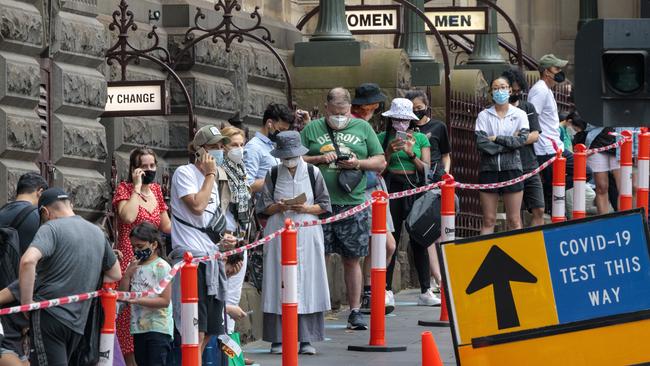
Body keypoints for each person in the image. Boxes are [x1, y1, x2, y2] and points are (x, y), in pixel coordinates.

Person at [301, 87, 386, 330]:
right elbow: (295, 158)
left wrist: (358, 163)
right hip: (320, 205)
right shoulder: (312, 129)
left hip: (353, 204)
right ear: (326, 107)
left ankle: (355, 310)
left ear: (350, 109)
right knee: (320, 257)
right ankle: (317, 308)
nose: (340, 116)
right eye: (335, 112)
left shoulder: (363, 128)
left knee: (353, 258)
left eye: (344, 112)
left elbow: (380, 161)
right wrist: (318, 159)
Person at [19, 188, 122, 365]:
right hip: (78, 321)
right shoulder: (97, 232)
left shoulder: (51, 228)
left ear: (45, 211)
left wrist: (27, 304)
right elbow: (115, 273)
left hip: (49, 314)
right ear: (71, 205)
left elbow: (28, 261)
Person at [169, 125, 242, 365]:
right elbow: (197, 206)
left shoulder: (214, 177)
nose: (220, 151)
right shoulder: (185, 173)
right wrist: (210, 175)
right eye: (213, 147)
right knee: (195, 328)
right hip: (192, 260)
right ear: (200, 150)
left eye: (221, 145)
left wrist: (224, 242)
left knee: (211, 327)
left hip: (211, 257)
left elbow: (207, 219)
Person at [258, 131, 331, 355]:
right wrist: (278, 207)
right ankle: (277, 338)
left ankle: (306, 338)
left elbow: (325, 205)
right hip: (279, 229)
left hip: (307, 231)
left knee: (308, 282)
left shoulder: (313, 172)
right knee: (277, 282)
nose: (288, 160)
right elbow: (263, 207)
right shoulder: (272, 173)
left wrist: (306, 208)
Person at [113, 147, 171, 365]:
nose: (149, 170)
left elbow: (165, 225)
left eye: (152, 165)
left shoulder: (156, 190)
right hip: (131, 257)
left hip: (153, 259)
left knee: (152, 304)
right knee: (129, 314)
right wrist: (136, 188)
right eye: (144, 166)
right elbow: (127, 217)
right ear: (134, 169)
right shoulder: (124, 189)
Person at [378, 98, 438, 306]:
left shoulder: (421, 138)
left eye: (405, 120)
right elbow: (378, 170)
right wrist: (388, 152)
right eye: (397, 120)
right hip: (392, 185)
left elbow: (427, 169)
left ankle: (425, 289)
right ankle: (386, 288)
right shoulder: (382, 137)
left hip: (413, 186)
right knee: (391, 239)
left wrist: (411, 154)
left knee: (419, 237)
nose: (401, 124)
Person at [350, 83, 397, 314]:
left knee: (384, 245)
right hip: (363, 190)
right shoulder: (353, 126)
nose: (377, 108)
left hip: (376, 186)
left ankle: (371, 290)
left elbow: (380, 160)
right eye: (374, 104)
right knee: (379, 244)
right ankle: (369, 291)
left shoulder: (367, 125)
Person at [0, 172, 48, 365]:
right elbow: (34, 264)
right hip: (17, 297)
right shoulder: (37, 217)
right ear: (40, 192)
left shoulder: (2, 212)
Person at [405, 89, 450, 293]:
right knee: (425, 230)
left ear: (427, 105)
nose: (417, 112)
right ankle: (438, 277)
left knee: (441, 228)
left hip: (437, 179)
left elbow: (446, 154)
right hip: (415, 181)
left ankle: (443, 275)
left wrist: (446, 174)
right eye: (413, 109)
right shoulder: (407, 129)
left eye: (420, 108)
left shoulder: (438, 127)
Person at [475, 76, 530, 234]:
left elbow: (521, 141)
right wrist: (508, 144)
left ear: (510, 90)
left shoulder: (519, 114)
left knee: (514, 219)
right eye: (496, 88)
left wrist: (497, 139)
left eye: (504, 87)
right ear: (491, 92)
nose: (500, 91)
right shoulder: (484, 115)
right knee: (488, 219)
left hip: (512, 168)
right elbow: (482, 144)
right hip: (488, 169)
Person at [214, 127, 252, 335]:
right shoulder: (218, 172)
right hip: (223, 239)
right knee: (219, 294)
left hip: (240, 238)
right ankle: (219, 347)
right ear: (223, 147)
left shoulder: (241, 171)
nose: (238, 149)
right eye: (233, 145)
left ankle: (231, 348)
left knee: (233, 296)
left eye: (241, 144)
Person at [119, 222, 172, 366]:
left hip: (158, 329)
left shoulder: (162, 267)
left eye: (140, 247)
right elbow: (122, 295)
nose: (136, 250)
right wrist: (127, 275)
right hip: (138, 329)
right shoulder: (135, 265)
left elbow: (165, 301)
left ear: (154, 245)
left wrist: (137, 300)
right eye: (134, 247)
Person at [529, 54, 575, 213]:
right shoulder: (540, 90)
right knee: (583, 172)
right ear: (547, 72)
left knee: (558, 180)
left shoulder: (545, 90)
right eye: (557, 68)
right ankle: (548, 196)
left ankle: (549, 195)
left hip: (553, 146)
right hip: (548, 148)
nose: (560, 71)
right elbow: (532, 117)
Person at [501, 68, 545, 227]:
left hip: (530, 164)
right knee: (514, 214)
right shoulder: (497, 110)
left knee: (539, 208)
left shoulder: (528, 108)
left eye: (518, 90)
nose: (516, 93)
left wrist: (513, 138)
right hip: (510, 166)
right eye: (513, 90)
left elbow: (535, 135)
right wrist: (519, 137)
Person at [571, 113, 619, 215]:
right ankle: (604, 223)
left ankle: (626, 223)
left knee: (623, 187)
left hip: (621, 142)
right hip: (597, 141)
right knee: (601, 187)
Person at [244, 103, 295, 194]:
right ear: (269, 124)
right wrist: (279, 177)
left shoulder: (272, 145)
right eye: (281, 129)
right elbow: (248, 185)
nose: (283, 134)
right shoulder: (254, 147)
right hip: (263, 205)